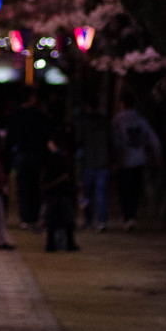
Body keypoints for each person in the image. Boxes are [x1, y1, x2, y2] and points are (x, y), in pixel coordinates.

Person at [113, 91, 162, 230]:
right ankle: (132, 217)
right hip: (139, 159)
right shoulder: (140, 119)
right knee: (135, 190)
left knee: (125, 190)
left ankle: (128, 217)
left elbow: (116, 141)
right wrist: (158, 155)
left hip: (124, 159)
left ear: (122, 103)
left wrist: (115, 158)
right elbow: (154, 139)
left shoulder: (118, 119)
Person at [6, 90, 49, 228]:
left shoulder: (15, 116)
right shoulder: (38, 116)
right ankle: (34, 216)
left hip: (21, 155)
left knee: (23, 188)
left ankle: (25, 218)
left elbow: (10, 139)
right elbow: (45, 137)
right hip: (35, 155)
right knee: (35, 187)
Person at [76, 96, 111, 231]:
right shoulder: (105, 122)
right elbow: (111, 141)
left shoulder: (84, 123)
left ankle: (89, 221)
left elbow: (79, 140)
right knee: (101, 193)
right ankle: (101, 221)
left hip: (89, 162)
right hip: (103, 161)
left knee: (88, 194)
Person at [41, 128, 79, 252]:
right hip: (64, 193)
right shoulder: (66, 159)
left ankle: (51, 244)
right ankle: (69, 244)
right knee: (67, 221)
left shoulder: (50, 159)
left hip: (53, 194)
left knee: (52, 221)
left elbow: (45, 179)